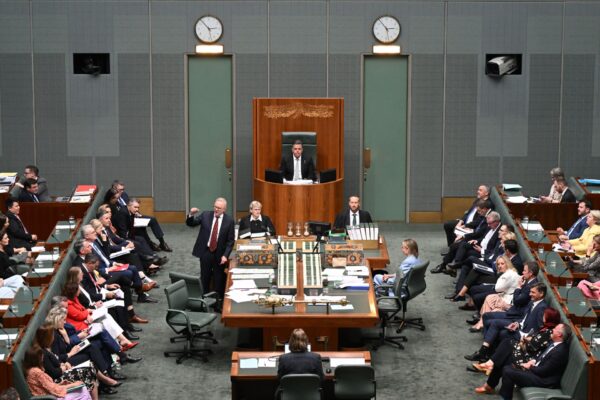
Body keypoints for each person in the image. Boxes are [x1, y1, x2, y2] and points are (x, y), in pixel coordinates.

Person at [472, 310, 564, 395]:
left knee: (506, 349)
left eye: (545, 315)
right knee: (506, 347)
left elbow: (532, 348)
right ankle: (490, 374)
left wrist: (526, 341)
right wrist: (527, 340)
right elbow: (535, 345)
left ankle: (489, 376)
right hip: (530, 358)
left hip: (529, 360)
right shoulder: (546, 330)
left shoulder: (549, 333)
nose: (542, 316)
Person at [465, 283, 548, 362]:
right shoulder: (532, 302)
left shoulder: (542, 307)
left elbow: (540, 327)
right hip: (519, 326)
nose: (530, 294)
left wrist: (529, 337)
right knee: (493, 322)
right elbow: (524, 318)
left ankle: (484, 353)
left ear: (541, 293)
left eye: (533, 292)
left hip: (525, 334)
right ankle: (484, 353)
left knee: (499, 329)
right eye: (530, 291)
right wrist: (517, 324)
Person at [495, 323, 571, 399]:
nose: (552, 330)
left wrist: (529, 366)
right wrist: (533, 361)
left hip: (544, 380)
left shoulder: (560, 352)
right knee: (508, 367)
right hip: (537, 370)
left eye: (555, 329)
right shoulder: (554, 343)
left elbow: (544, 371)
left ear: (559, 335)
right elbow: (542, 355)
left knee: (508, 372)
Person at [186, 197, 235, 300]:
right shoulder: (205, 215)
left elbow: (230, 241)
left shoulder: (229, 221)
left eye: (219, 208)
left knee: (219, 279)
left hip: (220, 254)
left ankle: (218, 302)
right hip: (206, 252)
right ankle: (204, 300)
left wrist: (225, 255)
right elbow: (191, 223)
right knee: (205, 277)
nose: (216, 209)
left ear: (224, 209)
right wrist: (191, 214)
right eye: (215, 207)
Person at [111, 181, 172, 252]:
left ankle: (162, 242)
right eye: (120, 190)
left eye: (123, 189)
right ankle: (149, 244)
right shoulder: (113, 198)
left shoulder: (124, 195)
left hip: (133, 215)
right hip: (125, 219)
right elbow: (118, 212)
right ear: (114, 188)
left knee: (152, 220)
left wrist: (136, 212)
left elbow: (132, 203)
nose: (122, 191)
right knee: (141, 227)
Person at [23, 346, 91, 400]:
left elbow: (49, 386)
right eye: (41, 355)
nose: (42, 357)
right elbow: (53, 389)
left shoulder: (31, 370)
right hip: (50, 397)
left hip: (50, 395)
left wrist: (63, 384)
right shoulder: (36, 372)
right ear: (36, 358)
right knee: (83, 391)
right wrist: (73, 385)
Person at [573, 234, 600, 299]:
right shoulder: (598, 252)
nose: (592, 246)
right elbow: (590, 261)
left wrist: (588, 253)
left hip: (597, 279)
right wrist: (574, 261)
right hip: (593, 274)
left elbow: (588, 267)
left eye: (594, 244)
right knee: (575, 267)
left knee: (580, 272)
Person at [0, 232, 26, 297]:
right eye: (6, 238)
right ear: (0, 241)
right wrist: (14, 275)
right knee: (18, 279)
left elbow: (10, 260)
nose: (8, 239)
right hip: (4, 278)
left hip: (11, 272)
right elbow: (1, 273)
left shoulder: (5, 248)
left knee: (19, 279)